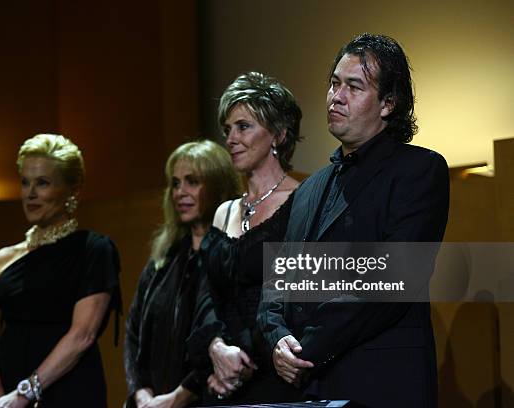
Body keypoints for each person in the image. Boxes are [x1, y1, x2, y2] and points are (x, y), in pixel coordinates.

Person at [258, 33, 450, 408]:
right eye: (334, 83)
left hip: (382, 382)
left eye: (354, 86)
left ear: (388, 103)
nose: (336, 96)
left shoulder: (420, 170)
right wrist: (276, 337)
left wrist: (305, 349)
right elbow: (277, 280)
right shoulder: (309, 188)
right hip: (308, 386)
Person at [0, 134, 121, 407]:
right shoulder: (3, 259)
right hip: (4, 397)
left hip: (67, 393)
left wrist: (24, 394)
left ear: (73, 190)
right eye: (25, 182)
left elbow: (82, 335)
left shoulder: (94, 250)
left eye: (42, 183)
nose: (30, 193)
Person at [187, 72, 303, 404]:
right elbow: (206, 295)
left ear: (279, 134)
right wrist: (216, 348)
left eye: (243, 127)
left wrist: (245, 360)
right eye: (227, 130)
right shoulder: (224, 211)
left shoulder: (302, 202)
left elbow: (297, 299)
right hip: (222, 379)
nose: (231, 139)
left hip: (274, 377)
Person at [124, 140, 242, 408]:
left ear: (216, 185)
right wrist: (141, 393)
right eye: (175, 183)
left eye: (192, 181)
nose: (180, 192)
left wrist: (179, 396)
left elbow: (233, 336)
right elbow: (133, 334)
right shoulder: (164, 258)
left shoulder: (232, 255)